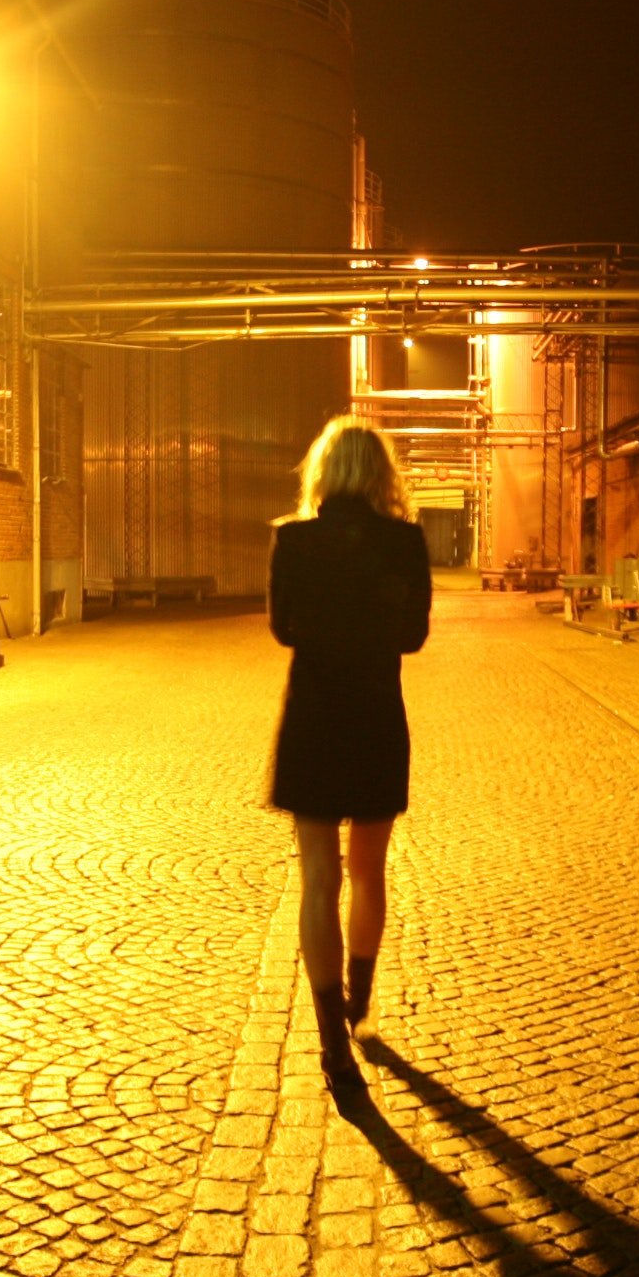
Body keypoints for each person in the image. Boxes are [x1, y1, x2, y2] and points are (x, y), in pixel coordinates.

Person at [267, 415, 432, 1096]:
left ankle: (333, 1046)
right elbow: (414, 637)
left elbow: (283, 630)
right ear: (381, 476)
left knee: (316, 879)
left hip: (312, 717)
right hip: (373, 714)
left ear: (324, 473)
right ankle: (358, 1000)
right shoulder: (405, 543)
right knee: (368, 872)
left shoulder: (293, 540)